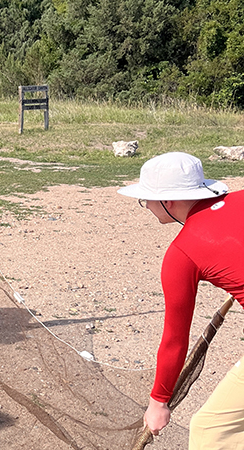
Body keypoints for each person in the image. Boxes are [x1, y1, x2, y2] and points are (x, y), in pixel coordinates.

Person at [118, 152, 244, 448]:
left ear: (169, 201)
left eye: (147, 199)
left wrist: (158, 402)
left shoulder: (182, 254)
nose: (146, 206)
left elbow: (175, 339)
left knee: (210, 429)